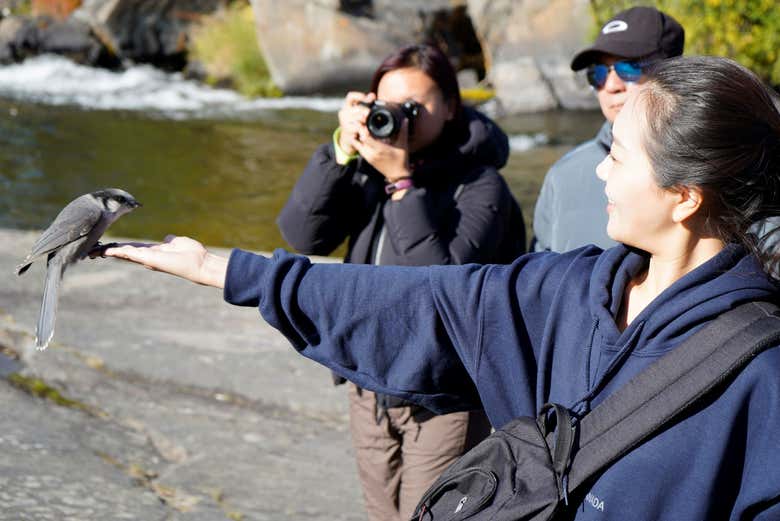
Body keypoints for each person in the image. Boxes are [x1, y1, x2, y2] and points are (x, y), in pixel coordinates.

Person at [106, 56, 780, 519]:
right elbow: (411, 297)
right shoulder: (568, 292)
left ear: (685, 195)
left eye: (620, 156)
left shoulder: (764, 372)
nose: (599, 172)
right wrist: (220, 268)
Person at [275, 44, 526, 521]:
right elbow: (302, 235)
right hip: (368, 382)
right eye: (387, 105)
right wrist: (338, 152)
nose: (400, 118)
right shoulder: (367, 168)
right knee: (381, 513)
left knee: (426, 515)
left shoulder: (481, 186)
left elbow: (434, 286)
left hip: (444, 394)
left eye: (415, 107)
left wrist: (403, 184)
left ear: (451, 107)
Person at [532, 6, 684, 252]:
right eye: (598, 73)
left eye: (630, 68)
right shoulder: (562, 176)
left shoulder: (710, 169)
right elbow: (538, 273)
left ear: (674, 73)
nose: (611, 85)